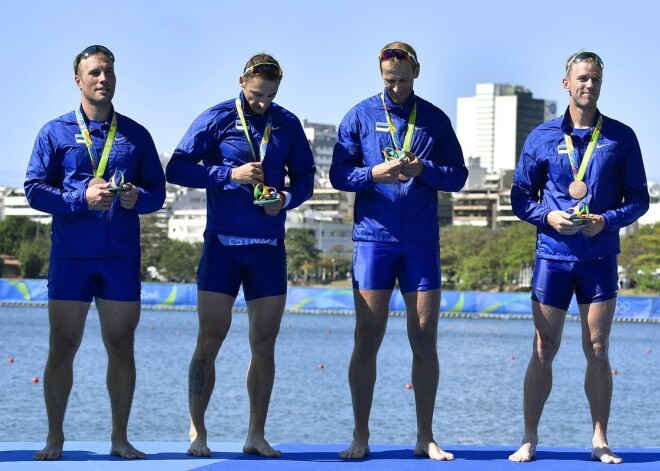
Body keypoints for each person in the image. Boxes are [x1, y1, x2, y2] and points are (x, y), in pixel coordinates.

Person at [166, 53, 315, 458]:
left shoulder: (287, 123)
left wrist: (284, 198)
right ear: (241, 82)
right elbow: (176, 169)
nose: (263, 102)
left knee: (264, 343)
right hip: (222, 247)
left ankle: (255, 434)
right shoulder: (216, 118)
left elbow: (306, 181)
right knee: (209, 340)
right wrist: (228, 175)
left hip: (268, 250)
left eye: (270, 95)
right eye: (256, 94)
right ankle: (198, 430)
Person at [25, 45, 166, 460]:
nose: (102, 78)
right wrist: (79, 197)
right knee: (62, 346)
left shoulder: (137, 135)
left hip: (120, 259)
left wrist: (136, 197)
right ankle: (55, 438)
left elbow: (157, 195)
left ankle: (119, 440)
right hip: (71, 257)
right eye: (94, 73)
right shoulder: (54, 132)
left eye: (108, 72)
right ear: (78, 81)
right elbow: (33, 190)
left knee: (122, 347)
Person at [508, 50, 649, 464]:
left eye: (596, 80)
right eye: (582, 78)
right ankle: (529, 438)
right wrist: (547, 215)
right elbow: (519, 197)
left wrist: (606, 220)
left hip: (599, 256)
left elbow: (639, 199)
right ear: (566, 83)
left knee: (599, 348)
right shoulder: (541, 137)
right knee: (542, 347)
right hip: (553, 256)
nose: (589, 85)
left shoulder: (622, 138)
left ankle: (600, 439)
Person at [330, 41, 468, 461]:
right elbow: (338, 174)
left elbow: (458, 176)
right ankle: (360, 436)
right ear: (381, 76)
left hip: (421, 243)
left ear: (417, 73)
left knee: (424, 339)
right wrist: (374, 173)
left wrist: (424, 170)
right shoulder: (359, 115)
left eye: (403, 81)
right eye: (390, 82)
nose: (396, 89)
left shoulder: (435, 120)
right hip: (374, 240)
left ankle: (425, 436)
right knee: (367, 338)